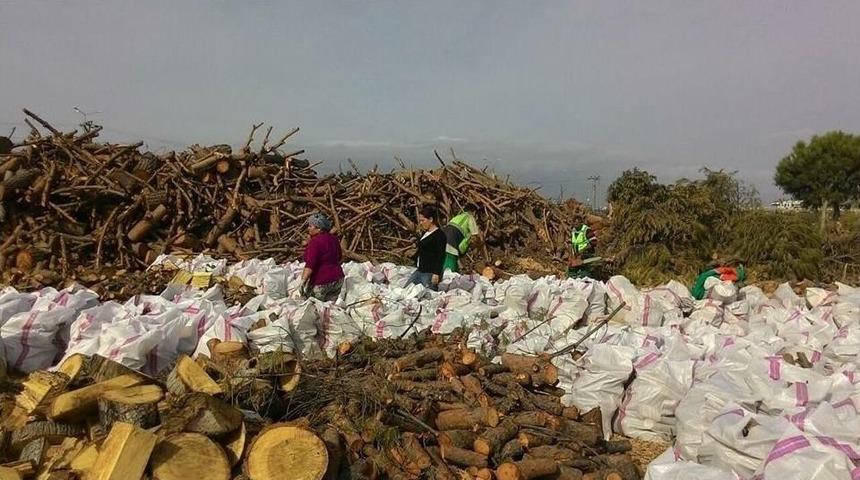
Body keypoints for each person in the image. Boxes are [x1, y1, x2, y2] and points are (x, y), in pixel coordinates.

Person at [300, 212, 345, 302]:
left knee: (314, 306)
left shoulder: (315, 242)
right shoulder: (334, 239)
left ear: (319, 228)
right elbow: (339, 257)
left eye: (311, 226)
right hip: (338, 280)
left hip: (321, 282)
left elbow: (310, 264)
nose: (308, 228)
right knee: (330, 307)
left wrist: (303, 281)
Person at [406, 205, 447, 290]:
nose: (421, 223)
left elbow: (441, 255)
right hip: (420, 270)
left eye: (423, 220)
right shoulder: (425, 233)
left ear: (431, 219)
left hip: (430, 272)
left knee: (428, 294)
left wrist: (436, 273)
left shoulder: (439, 235)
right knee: (406, 290)